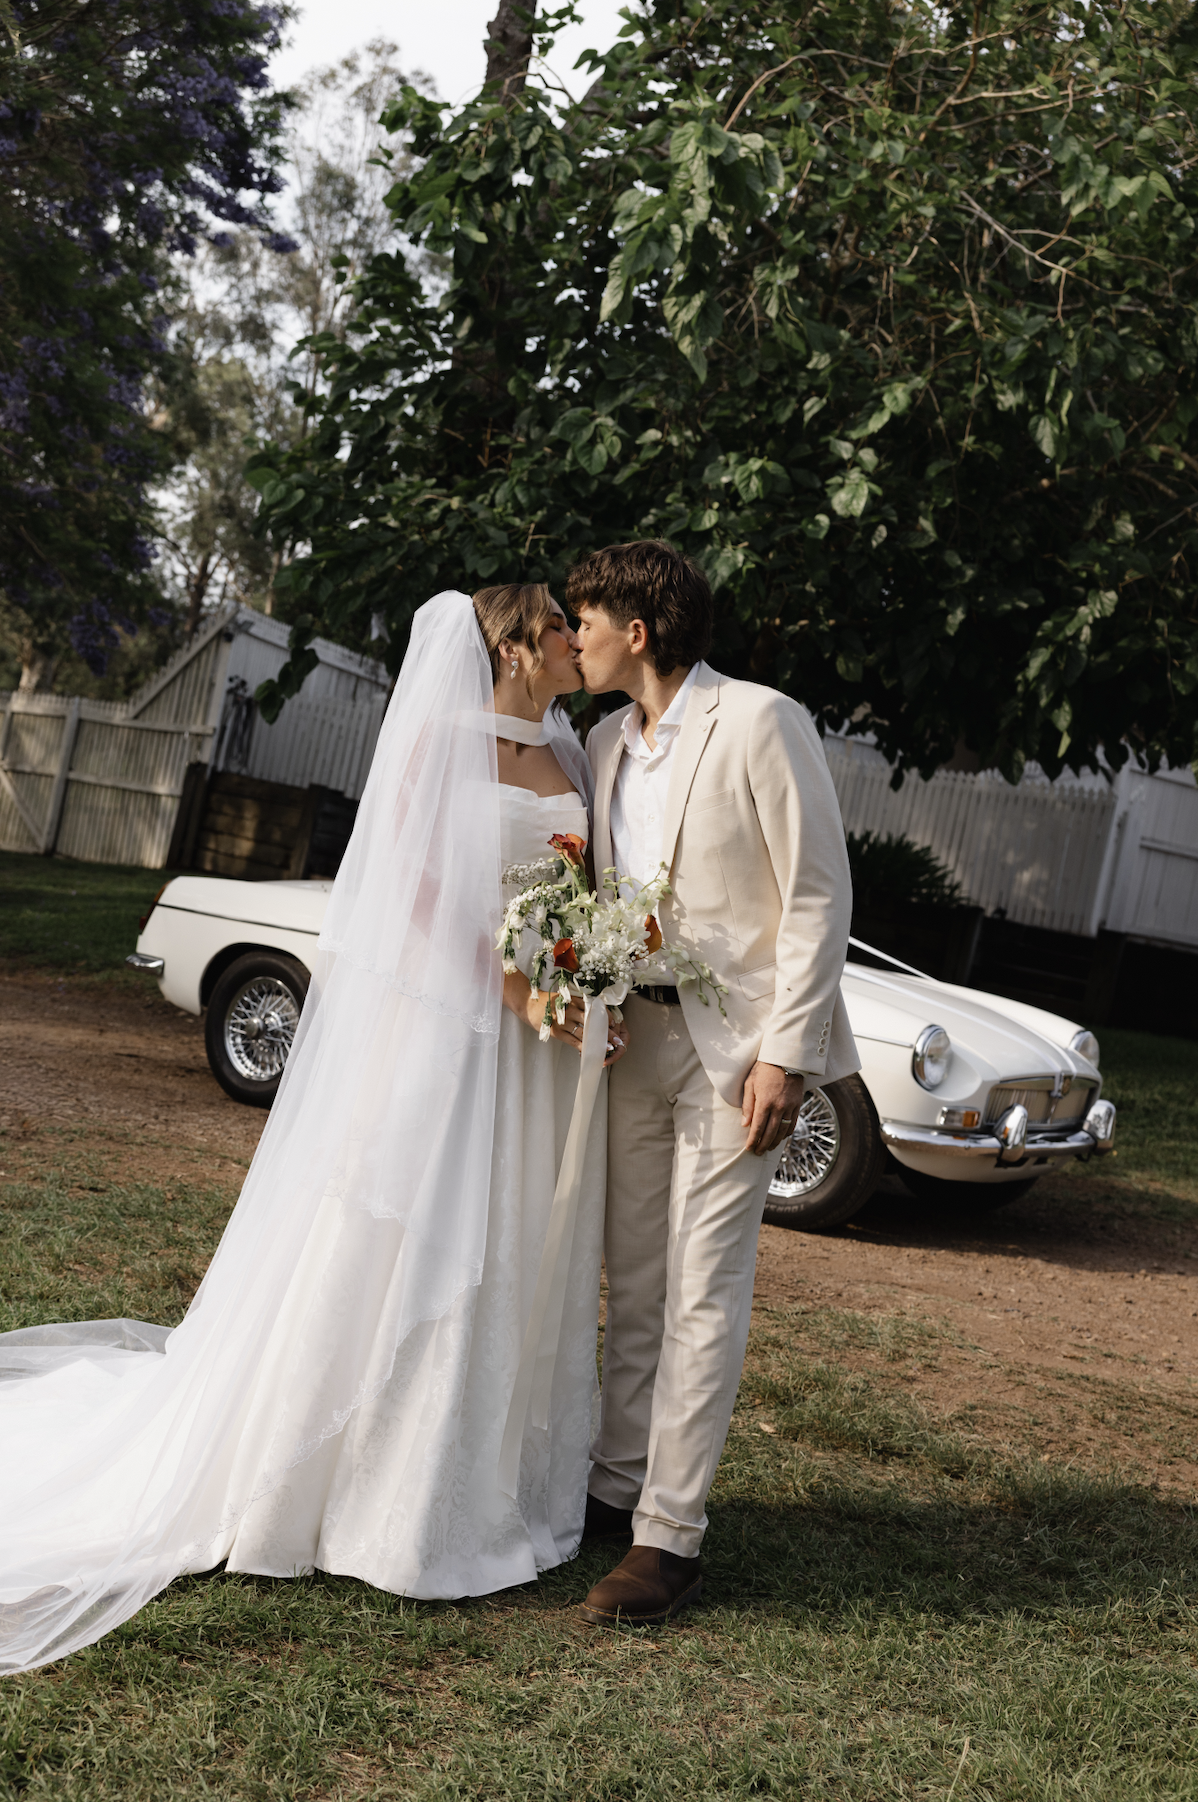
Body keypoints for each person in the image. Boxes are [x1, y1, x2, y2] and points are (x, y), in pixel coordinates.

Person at [0, 585, 625, 1676]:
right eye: (564, 628)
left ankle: (473, 1472)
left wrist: (582, 983)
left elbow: (571, 892)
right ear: (519, 643)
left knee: (509, 1238)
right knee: (414, 1232)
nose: (581, 640)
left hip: (535, 1046)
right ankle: (338, 1481)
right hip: (449, 1025)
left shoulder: (573, 753)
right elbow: (415, 891)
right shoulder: (439, 742)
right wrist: (514, 988)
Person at [568, 540, 858, 1627]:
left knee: (702, 1286)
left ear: (635, 631)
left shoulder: (761, 719)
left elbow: (819, 892)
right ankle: (614, 1481)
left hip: (740, 1054)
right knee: (633, 1276)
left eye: (585, 619)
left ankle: (669, 1537)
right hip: (632, 1044)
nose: (573, 635)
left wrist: (787, 1050)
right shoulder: (601, 742)